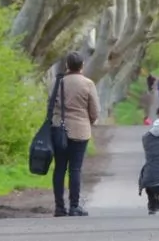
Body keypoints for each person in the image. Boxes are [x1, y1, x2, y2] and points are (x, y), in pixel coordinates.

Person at [52, 52, 100, 217]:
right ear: (82, 66)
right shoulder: (88, 84)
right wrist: (90, 121)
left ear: (67, 65)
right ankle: (74, 206)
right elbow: (94, 110)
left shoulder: (59, 82)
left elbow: (50, 105)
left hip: (59, 129)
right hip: (80, 130)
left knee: (59, 168)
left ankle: (59, 207)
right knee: (75, 169)